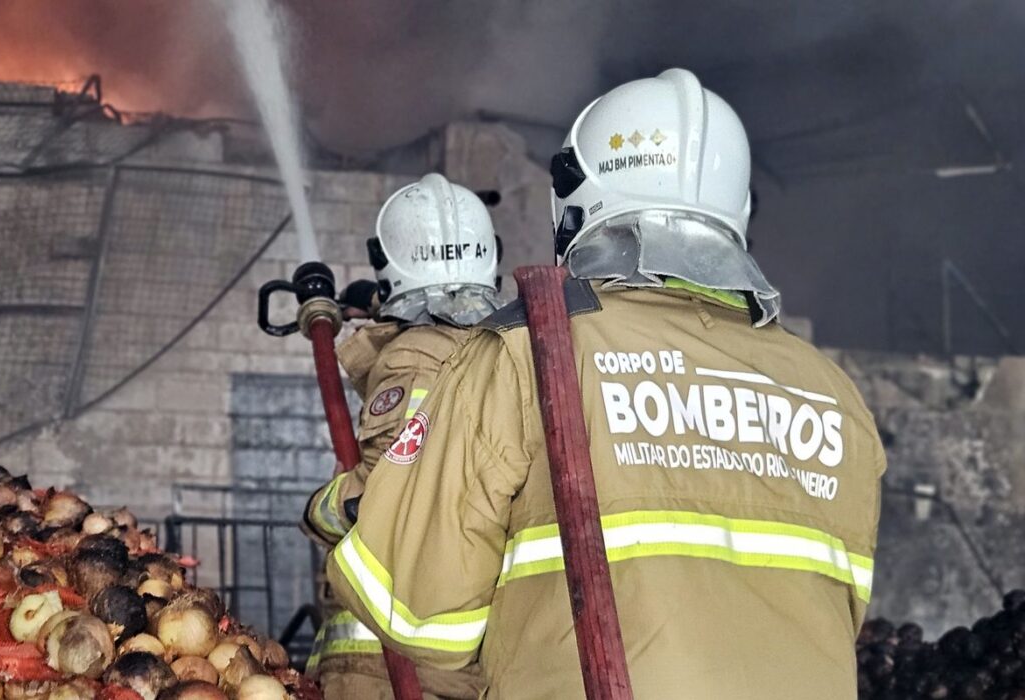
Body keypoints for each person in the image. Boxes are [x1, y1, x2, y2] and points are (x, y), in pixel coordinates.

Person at [325, 68, 886, 699]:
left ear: (576, 206)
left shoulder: (525, 354)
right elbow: (841, 615)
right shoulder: (836, 397)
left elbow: (415, 611)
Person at [301, 173, 504, 699]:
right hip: (458, 662)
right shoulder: (501, 351)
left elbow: (379, 496)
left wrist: (318, 508)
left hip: (388, 665)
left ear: (391, 267)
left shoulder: (415, 356)